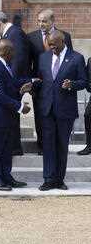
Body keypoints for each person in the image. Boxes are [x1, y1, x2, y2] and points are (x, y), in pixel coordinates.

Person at [33, 31, 87, 191]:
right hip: (47, 108)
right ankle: (48, 179)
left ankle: (59, 179)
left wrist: (72, 85)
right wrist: (33, 85)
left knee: (62, 145)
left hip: (65, 109)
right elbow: (40, 79)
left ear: (63, 41)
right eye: (49, 45)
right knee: (48, 145)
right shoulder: (44, 57)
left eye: (54, 45)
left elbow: (84, 82)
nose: (51, 48)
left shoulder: (77, 58)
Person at [0, 39, 32, 191]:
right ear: (6, 52)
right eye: (13, 52)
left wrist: (25, 85)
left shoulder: (3, 64)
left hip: (5, 116)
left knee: (5, 149)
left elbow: (9, 84)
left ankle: (6, 177)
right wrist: (20, 106)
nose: (14, 55)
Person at [27, 9, 73, 154]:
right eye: (39, 21)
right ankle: (42, 145)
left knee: (57, 115)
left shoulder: (65, 36)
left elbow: (70, 60)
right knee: (41, 116)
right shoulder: (31, 37)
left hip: (58, 84)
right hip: (40, 84)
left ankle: (57, 145)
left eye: (44, 21)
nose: (41, 24)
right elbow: (28, 61)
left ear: (52, 21)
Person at [0, 11, 30, 155]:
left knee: (11, 118)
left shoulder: (14, 33)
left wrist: (14, 85)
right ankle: (12, 147)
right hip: (9, 85)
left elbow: (17, 62)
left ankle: (14, 148)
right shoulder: (10, 34)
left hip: (11, 86)